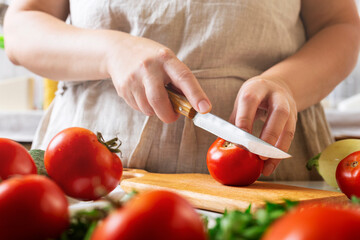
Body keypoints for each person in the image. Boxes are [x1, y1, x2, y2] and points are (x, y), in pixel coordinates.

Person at [4, 0, 360, 180]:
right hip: (91, 169)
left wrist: (286, 83)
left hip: (274, 167)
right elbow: (20, 29)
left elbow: (340, 25)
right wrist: (112, 52)